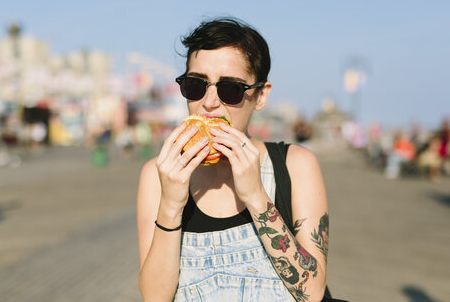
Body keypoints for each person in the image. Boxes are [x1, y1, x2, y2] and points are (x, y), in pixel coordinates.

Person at [137, 18, 330, 302]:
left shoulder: (295, 166)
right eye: (196, 85)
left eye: (230, 89)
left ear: (261, 96)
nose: (210, 102)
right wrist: (170, 204)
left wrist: (255, 195)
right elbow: (154, 298)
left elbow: (311, 293)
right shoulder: (158, 174)